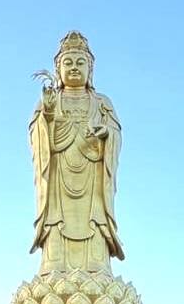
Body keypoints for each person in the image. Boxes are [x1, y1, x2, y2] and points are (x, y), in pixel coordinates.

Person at [29, 30, 124, 275]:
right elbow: (37, 138)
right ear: (58, 69)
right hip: (58, 184)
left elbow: (116, 133)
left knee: (95, 222)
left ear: (90, 69)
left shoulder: (102, 103)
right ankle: (54, 267)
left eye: (80, 62)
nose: (74, 68)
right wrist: (48, 114)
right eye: (67, 63)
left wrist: (106, 134)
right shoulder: (50, 100)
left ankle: (97, 268)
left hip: (93, 184)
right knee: (56, 221)